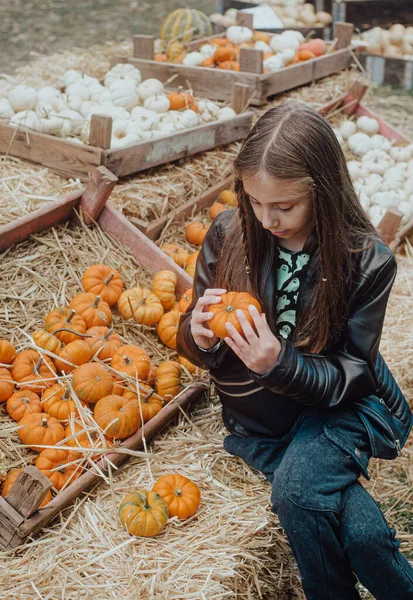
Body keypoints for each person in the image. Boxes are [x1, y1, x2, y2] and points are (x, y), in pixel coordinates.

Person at [176, 102, 413, 600]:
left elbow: (355, 371)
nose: (267, 219)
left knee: (299, 492)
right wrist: (196, 337)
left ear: (321, 192)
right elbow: (202, 346)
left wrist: (278, 363)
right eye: (255, 202)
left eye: (283, 206)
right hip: (264, 420)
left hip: (339, 408)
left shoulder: (366, 260)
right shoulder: (227, 234)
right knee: (365, 534)